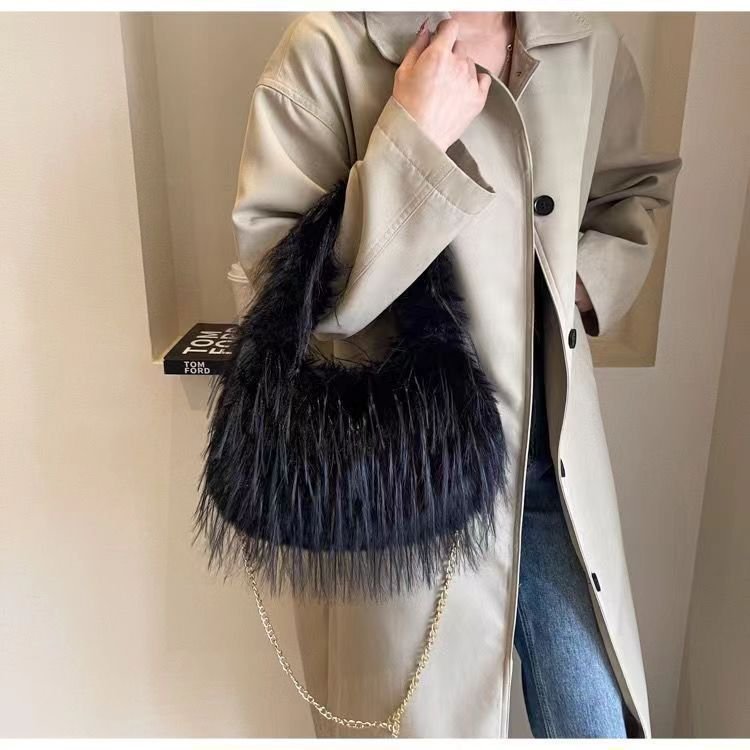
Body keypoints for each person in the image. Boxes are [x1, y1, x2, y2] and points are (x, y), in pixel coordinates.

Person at [230, 11, 682, 738]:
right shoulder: (328, 49)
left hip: (550, 462)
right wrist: (412, 137)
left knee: (598, 721)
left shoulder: (584, 38)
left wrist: (578, 282)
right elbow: (279, 293)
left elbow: (633, 191)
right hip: (410, 467)